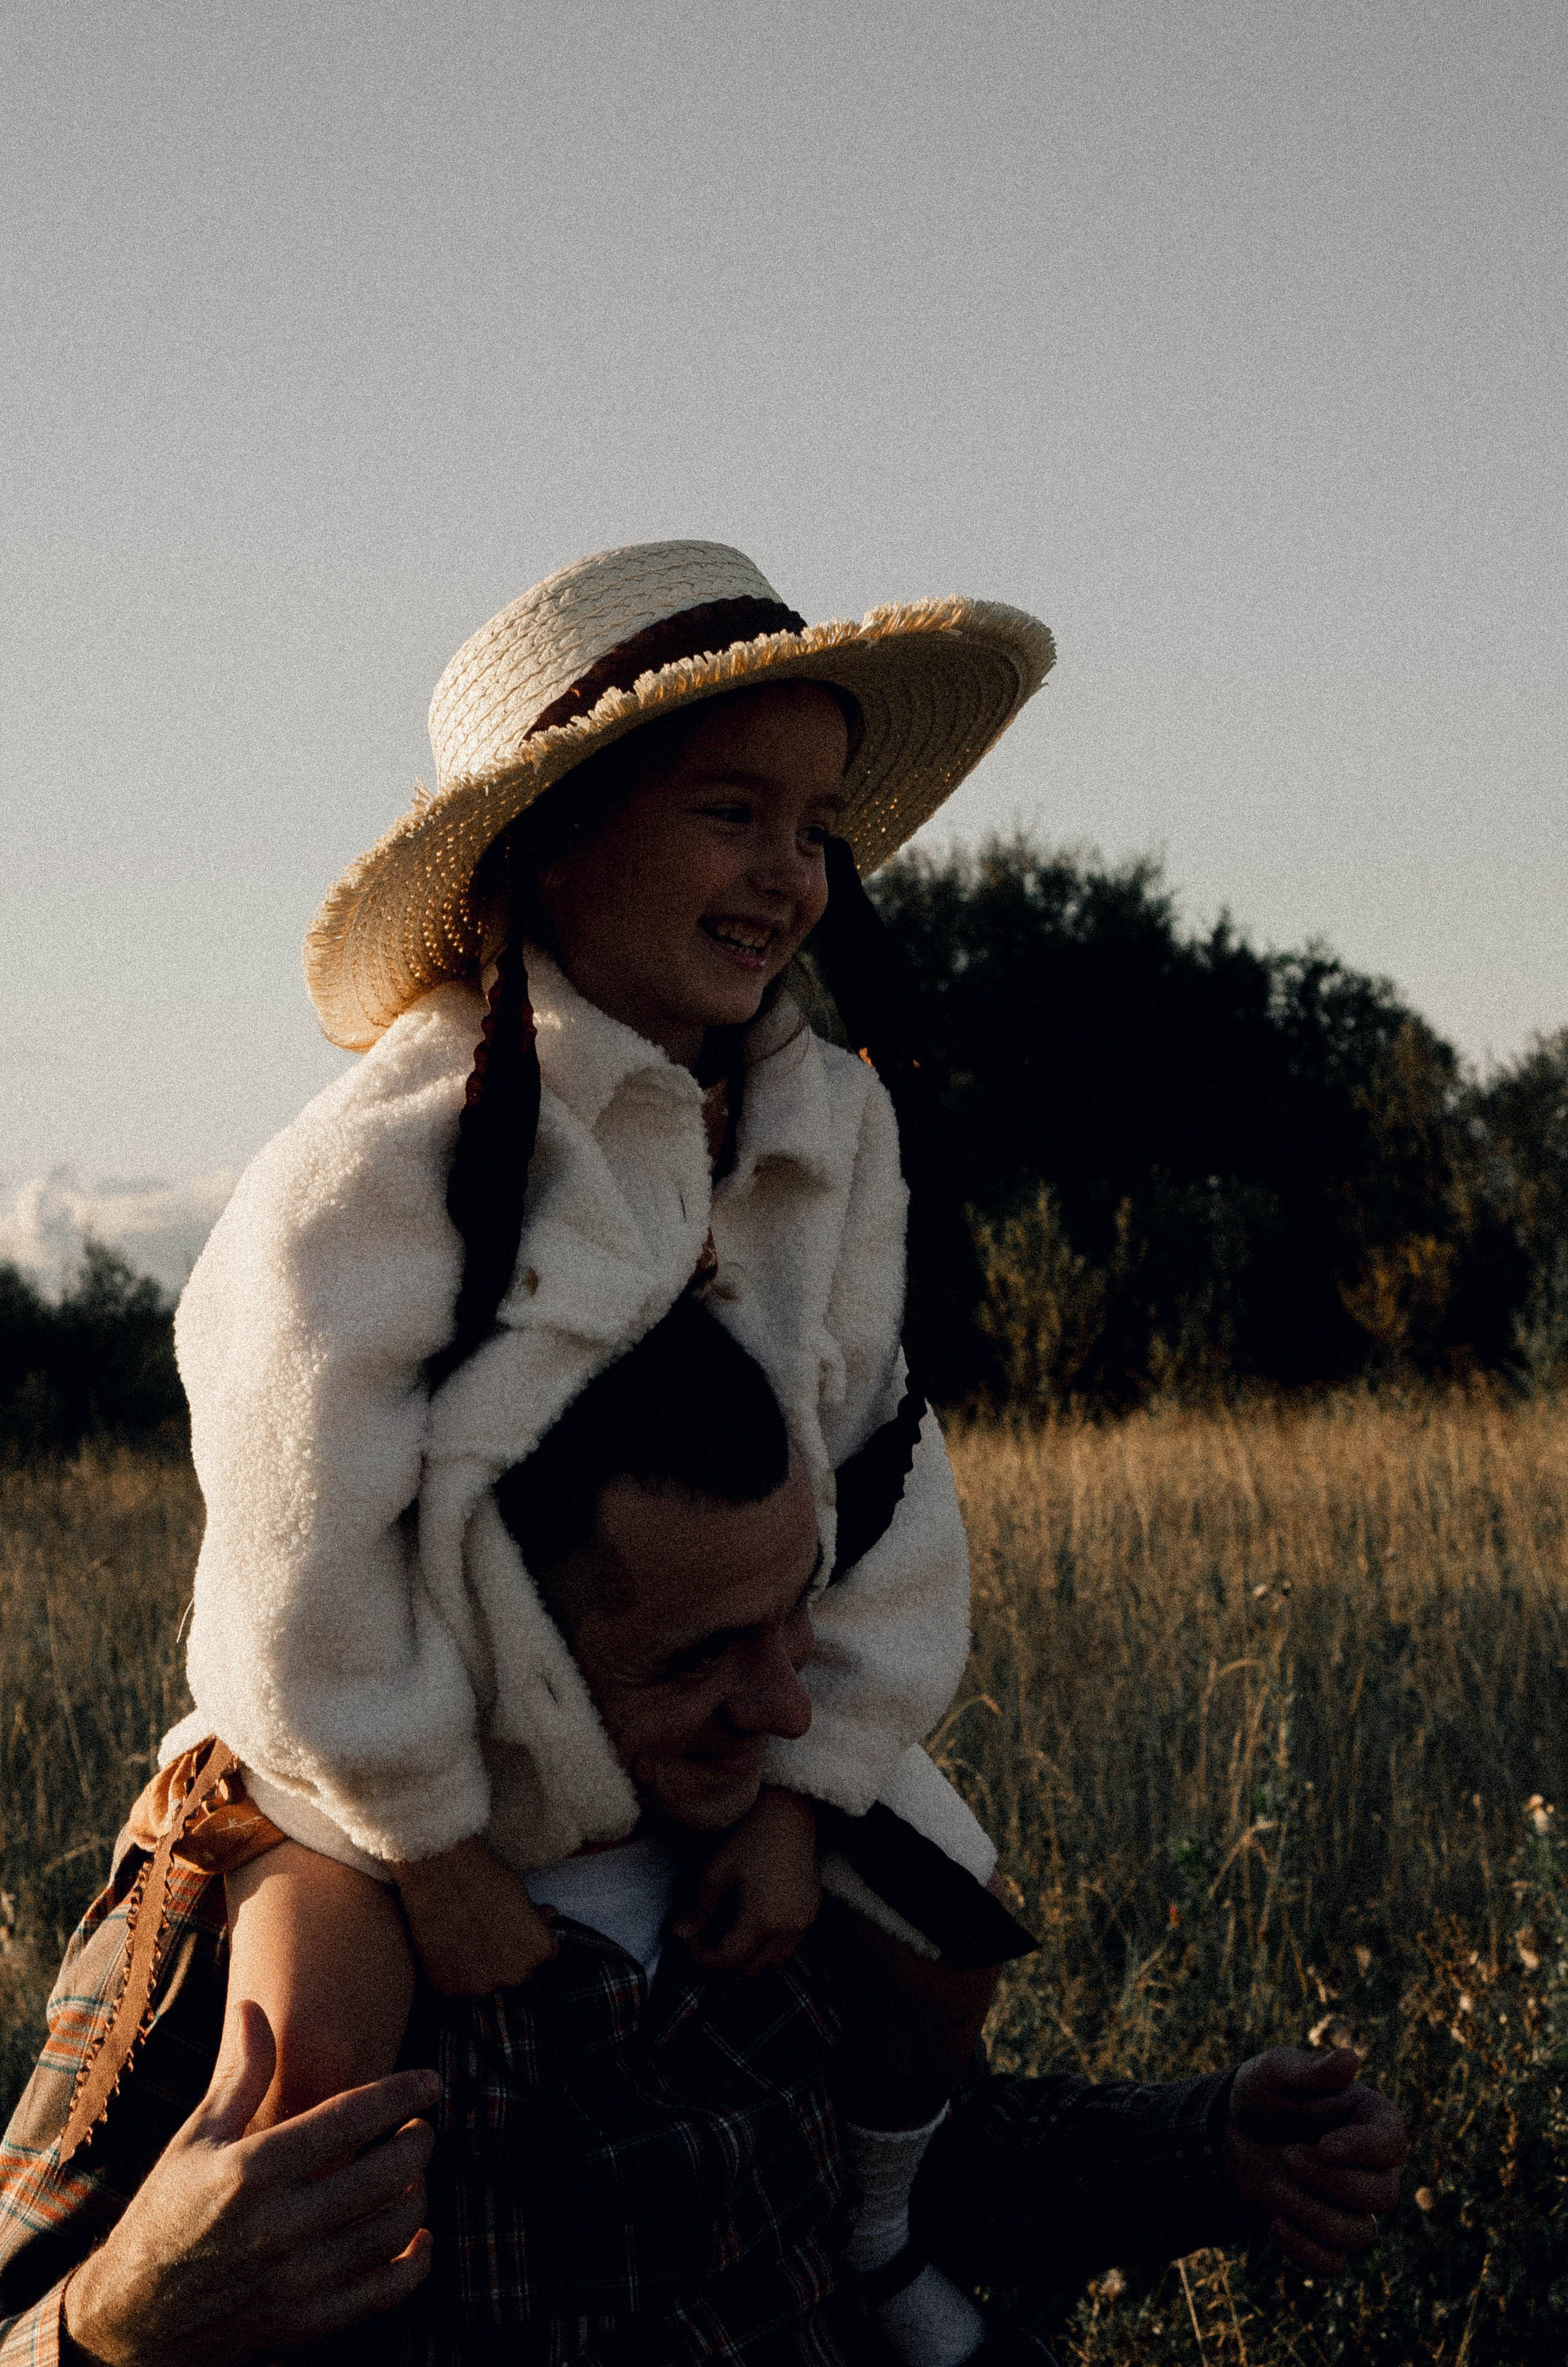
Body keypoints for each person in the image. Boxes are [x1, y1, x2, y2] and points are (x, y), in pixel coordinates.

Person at [82, 540, 1059, 2366]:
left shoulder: (827, 1124)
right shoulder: (384, 1157)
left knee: (944, 1940)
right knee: (306, 2072)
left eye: (817, 825)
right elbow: (298, 1534)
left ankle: (874, 2228)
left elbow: (873, 1453)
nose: (790, 873)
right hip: (372, 1754)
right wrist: (430, 1839)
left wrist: (804, 1787)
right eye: (730, 812)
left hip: (703, 1716)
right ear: (545, 849)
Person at [0, 1305, 1408, 2365]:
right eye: (697, 1659)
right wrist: (119, 2321)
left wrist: (1206, 2149)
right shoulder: (259, 1900)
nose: (788, 1704)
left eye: (795, 1613)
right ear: (499, 1643)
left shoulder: (766, 1830)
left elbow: (869, 2173)